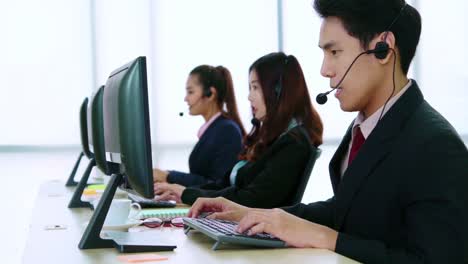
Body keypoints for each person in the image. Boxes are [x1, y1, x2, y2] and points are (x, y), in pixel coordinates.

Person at [187, 1, 468, 263]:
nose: (324, 70)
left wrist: (327, 238)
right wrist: (254, 215)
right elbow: (344, 210)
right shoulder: (367, 126)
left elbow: (437, 259)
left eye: (334, 52)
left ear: (383, 48)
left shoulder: (435, 145)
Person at [154, 52, 323, 208]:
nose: (249, 97)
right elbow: (223, 184)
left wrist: (187, 193)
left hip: (251, 233)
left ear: (278, 92)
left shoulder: (293, 142)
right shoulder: (271, 139)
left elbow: (252, 199)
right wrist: (183, 192)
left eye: (255, 87)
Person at [153, 65, 245, 187]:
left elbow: (218, 185)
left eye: (190, 92)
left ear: (210, 94)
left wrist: (169, 176)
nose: (186, 98)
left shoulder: (227, 130)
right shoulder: (214, 129)